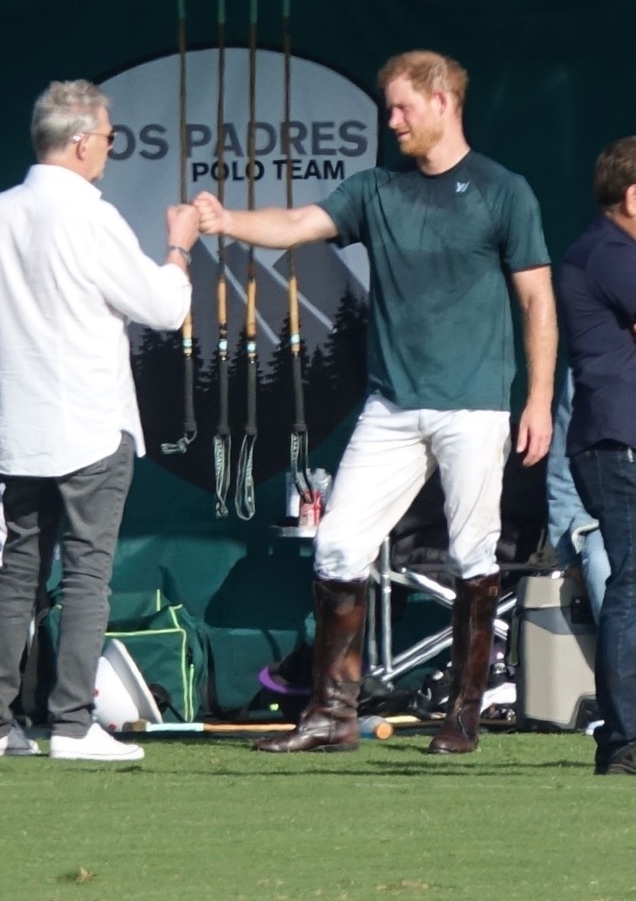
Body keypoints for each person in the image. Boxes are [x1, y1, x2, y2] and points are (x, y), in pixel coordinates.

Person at [194, 50, 556, 755]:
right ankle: (331, 714)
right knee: (338, 546)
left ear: (444, 100)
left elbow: (537, 299)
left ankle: (464, 714)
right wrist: (225, 220)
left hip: (474, 405)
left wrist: (537, 398)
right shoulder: (375, 191)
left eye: (401, 108)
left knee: (473, 552)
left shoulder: (503, 191)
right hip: (391, 407)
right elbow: (298, 224)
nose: (391, 121)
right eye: (389, 108)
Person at [0, 79, 198, 761]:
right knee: (87, 573)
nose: (110, 150)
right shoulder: (91, 216)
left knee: (19, 571)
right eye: (110, 139)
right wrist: (180, 245)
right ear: (83, 140)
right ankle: (71, 721)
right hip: (89, 421)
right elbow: (164, 307)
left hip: (21, 425)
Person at [557, 136, 636, 775]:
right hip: (618, 441)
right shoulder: (609, 253)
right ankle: (625, 739)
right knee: (631, 586)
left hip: (616, 437)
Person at [546, 370, 609, 624]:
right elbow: (562, 467)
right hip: (610, 518)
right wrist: (568, 554)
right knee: (600, 561)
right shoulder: (591, 363)